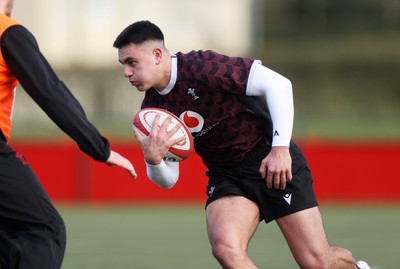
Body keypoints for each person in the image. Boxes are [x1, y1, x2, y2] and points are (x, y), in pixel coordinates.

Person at [113, 20, 369, 269]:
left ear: (157, 54)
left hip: (270, 158)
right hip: (226, 174)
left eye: (132, 62)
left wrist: (280, 149)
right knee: (226, 250)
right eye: (123, 64)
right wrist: (153, 159)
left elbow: (278, 85)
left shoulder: (203, 67)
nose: (126, 72)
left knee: (317, 262)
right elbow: (169, 180)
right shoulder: (152, 112)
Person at [0, 1, 138, 268]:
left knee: (8, 240)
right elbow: (49, 91)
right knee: (44, 230)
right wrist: (100, 147)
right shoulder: (8, 31)